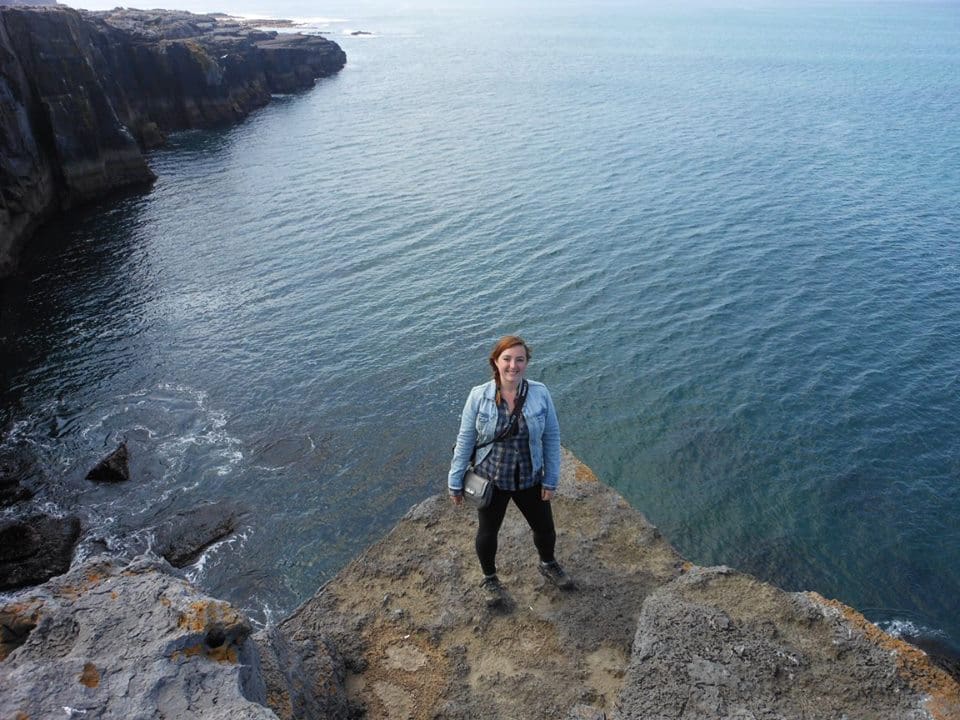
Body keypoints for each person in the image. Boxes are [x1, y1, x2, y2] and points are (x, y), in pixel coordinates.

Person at [448, 335, 573, 606]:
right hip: (492, 479)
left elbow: (551, 437)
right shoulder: (478, 396)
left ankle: (548, 563)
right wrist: (455, 482)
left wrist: (550, 480)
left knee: (545, 528)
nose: (513, 366)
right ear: (496, 361)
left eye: (519, 359)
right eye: (507, 359)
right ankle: (490, 579)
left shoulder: (540, 393)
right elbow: (465, 439)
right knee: (487, 532)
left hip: (529, 476)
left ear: (527, 362)